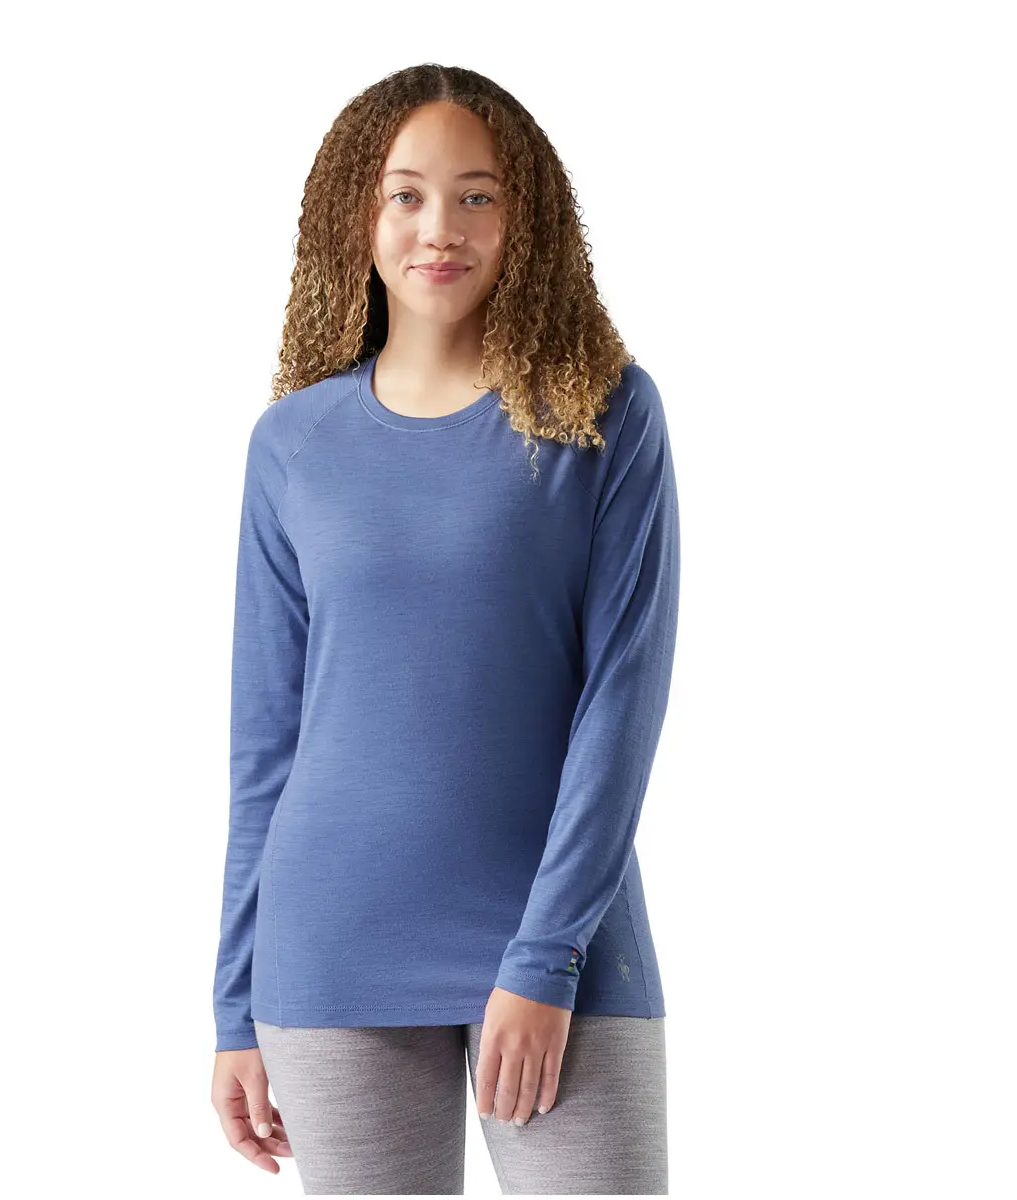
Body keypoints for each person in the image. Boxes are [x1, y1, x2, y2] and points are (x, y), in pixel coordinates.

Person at [210, 62, 681, 1195]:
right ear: (355, 215)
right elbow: (266, 747)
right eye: (406, 194)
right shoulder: (292, 445)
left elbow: (622, 700)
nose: (441, 227)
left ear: (528, 218)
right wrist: (234, 1005)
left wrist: (546, 955)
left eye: (478, 195)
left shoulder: (604, 414)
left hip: (564, 942)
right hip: (330, 951)